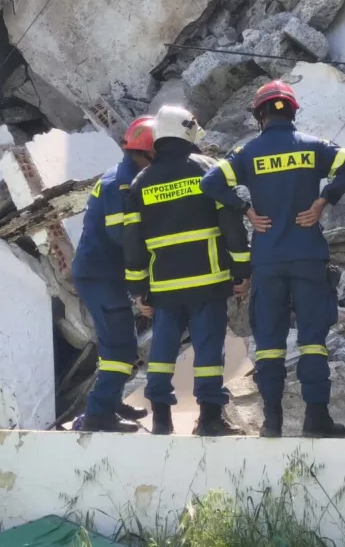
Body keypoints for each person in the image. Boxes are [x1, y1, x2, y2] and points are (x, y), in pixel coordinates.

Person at [199, 80, 345, 438]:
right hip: (308, 255)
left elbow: (210, 183)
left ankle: (272, 422)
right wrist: (324, 200)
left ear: (260, 115)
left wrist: (245, 209)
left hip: (268, 259)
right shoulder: (313, 147)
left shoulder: (247, 152)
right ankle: (316, 419)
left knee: (271, 344)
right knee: (312, 340)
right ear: (292, 111)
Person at [122, 105, 251, 437]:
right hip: (208, 283)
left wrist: (140, 290)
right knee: (208, 350)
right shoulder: (211, 171)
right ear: (188, 130)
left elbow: (133, 245)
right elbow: (232, 226)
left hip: (164, 287)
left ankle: (162, 420)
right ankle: (208, 419)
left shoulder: (140, 183)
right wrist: (241, 269)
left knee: (162, 352)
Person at [72, 116, 156, 433]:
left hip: (104, 274)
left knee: (122, 341)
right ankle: (99, 415)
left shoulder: (124, 175)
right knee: (119, 347)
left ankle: (112, 402)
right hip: (100, 276)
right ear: (149, 151)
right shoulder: (120, 185)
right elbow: (125, 237)